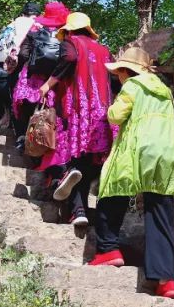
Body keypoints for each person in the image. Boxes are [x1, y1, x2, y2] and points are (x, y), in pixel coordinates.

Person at [89, 47, 174, 300]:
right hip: (168, 148)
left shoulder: (132, 86)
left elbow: (115, 115)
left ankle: (108, 250)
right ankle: (166, 280)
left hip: (140, 144)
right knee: (160, 209)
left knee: (113, 189)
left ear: (125, 71)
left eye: (118, 72)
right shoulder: (164, 90)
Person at [37, 12, 115, 227]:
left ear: (70, 30)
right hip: (101, 114)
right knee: (88, 161)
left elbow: (69, 59)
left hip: (77, 109)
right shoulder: (105, 50)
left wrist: (49, 84)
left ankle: (76, 205)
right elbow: (114, 78)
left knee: (71, 157)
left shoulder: (71, 43)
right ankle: (79, 211)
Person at [10, 1, 70, 153]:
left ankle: (22, 138)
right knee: (47, 113)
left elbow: (23, 54)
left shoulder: (35, 31)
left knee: (25, 108)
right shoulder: (66, 36)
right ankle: (42, 145)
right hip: (53, 79)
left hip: (32, 77)